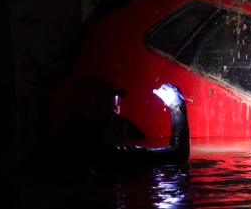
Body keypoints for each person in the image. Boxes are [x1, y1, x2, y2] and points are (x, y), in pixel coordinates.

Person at [21, 76, 189, 180]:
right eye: (113, 107)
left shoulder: (40, 156)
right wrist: (177, 106)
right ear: (103, 113)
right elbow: (177, 153)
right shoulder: (110, 157)